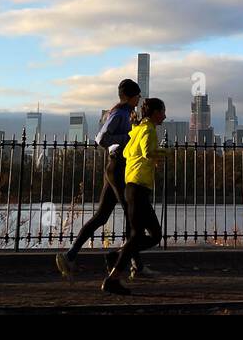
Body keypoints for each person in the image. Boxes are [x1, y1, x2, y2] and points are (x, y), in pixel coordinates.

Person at [56, 78, 145, 278]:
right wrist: (128, 138)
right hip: (119, 168)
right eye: (138, 95)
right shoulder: (120, 114)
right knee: (132, 214)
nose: (139, 99)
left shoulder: (123, 113)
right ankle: (135, 265)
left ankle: (70, 256)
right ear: (131, 96)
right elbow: (101, 138)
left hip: (115, 168)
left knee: (102, 216)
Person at [102, 97, 165, 295]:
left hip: (132, 186)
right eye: (163, 111)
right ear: (155, 113)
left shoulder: (136, 130)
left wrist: (147, 159)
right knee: (148, 235)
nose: (165, 115)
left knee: (146, 234)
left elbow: (129, 153)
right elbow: (147, 152)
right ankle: (113, 277)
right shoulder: (148, 130)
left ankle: (119, 257)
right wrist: (165, 153)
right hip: (138, 187)